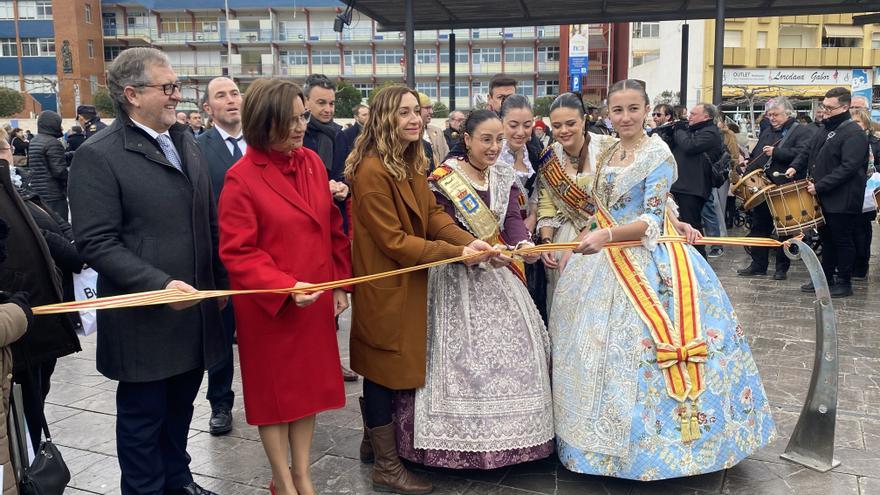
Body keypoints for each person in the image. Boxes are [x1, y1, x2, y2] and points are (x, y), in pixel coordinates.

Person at [550, 79, 776, 480]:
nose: (625, 117)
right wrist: (584, 239)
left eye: (633, 109)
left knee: (646, 347)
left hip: (644, 258)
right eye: (617, 110)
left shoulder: (658, 153)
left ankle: (669, 448)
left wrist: (608, 236)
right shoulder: (608, 149)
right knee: (592, 347)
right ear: (607, 114)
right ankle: (591, 441)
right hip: (600, 262)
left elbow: (651, 217)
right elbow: (610, 204)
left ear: (647, 109)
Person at [68, 47, 227, 495]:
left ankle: (178, 481)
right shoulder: (99, 154)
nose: (177, 96)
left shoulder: (184, 141)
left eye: (176, 86)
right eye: (168, 87)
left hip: (193, 311)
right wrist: (157, 284)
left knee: (180, 410)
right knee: (143, 419)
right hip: (146, 316)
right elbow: (96, 241)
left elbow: (206, 220)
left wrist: (224, 280)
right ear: (133, 94)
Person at [345, 85, 494, 495]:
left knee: (392, 367)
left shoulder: (410, 159)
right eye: (404, 113)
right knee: (381, 371)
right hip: (384, 283)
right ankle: (387, 468)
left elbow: (430, 214)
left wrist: (466, 240)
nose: (415, 119)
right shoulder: (372, 169)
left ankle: (372, 444)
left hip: (407, 279)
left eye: (417, 111)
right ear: (384, 118)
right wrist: (455, 251)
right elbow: (393, 241)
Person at [394, 109, 553, 470]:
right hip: (457, 273)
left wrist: (524, 246)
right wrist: (475, 252)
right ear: (466, 140)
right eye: (486, 139)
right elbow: (442, 228)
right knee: (459, 358)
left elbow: (511, 220)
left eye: (499, 139)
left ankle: (519, 439)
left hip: (499, 274)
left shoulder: (502, 174)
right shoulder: (444, 178)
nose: (495, 147)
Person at [218, 78, 351, 495]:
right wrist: (284, 286)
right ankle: (283, 478)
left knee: (307, 393)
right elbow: (238, 251)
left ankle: (303, 473)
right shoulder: (240, 177)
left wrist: (340, 285)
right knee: (275, 398)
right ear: (263, 120)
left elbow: (332, 226)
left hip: (312, 300)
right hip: (270, 307)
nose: (299, 127)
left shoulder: (310, 161)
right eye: (290, 120)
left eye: (302, 117)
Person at [0, 131, 81, 457]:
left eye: (3, 146)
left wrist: (76, 246)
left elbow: (49, 227)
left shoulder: (15, 187)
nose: (4, 153)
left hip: (35, 325)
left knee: (31, 411)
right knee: (17, 424)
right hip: (18, 328)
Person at [536, 93, 617, 309]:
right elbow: (546, 204)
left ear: (584, 120)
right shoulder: (549, 157)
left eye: (570, 123)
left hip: (603, 239)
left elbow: (618, 201)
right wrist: (546, 243)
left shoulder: (610, 149)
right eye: (557, 125)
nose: (564, 131)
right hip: (562, 240)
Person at [197, 76, 245, 436]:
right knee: (221, 336)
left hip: (262, 259)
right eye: (221, 96)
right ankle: (220, 403)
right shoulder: (198, 148)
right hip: (220, 261)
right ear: (208, 108)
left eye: (234, 93)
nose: (230, 100)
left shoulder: (262, 144)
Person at [302, 73, 355, 381]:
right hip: (303, 225)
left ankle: (331, 359)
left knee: (332, 297)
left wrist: (344, 187)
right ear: (305, 101)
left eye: (331, 103)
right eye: (321, 102)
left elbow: (347, 172)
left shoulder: (340, 134)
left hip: (332, 222)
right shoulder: (297, 134)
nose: (327, 108)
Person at [792, 87, 869, 298]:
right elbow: (810, 151)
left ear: (844, 107)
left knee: (842, 239)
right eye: (823, 106)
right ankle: (824, 278)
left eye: (829, 107)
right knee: (827, 239)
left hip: (843, 198)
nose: (824, 111)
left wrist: (821, 185)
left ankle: (844, 282)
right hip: (824, 196)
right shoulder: (825, 128)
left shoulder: (854, 133)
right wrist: (797, 168)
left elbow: (848, 167)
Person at [737, 97, 816, 280]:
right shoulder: (767, 131)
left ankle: (782, 268)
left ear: (788, 113)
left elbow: (804, 154)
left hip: (784, 187)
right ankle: (758, 265)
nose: (772, 118)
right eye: (769, 114)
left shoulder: (801, 131)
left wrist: (778, 152)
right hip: (764, 188)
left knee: (784, 230)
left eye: (776, 114)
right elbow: (757, 153)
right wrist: (747, 168)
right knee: (759, 227)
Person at [496, 95, 547, 320]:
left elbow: (542, 190)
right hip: (498, 234)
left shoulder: (535, 154)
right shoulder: (491, 153)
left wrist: (534, 216)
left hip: (529, 232)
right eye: (513, 125)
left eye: (527, 126)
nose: (521, 132)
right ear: (501, 123)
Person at [669, 102, 725, 257]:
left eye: (693, 114)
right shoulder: (691, 130)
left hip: (693, 189)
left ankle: (700, 262)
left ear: (706, 116)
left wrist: (679, 130)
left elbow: (690, 146)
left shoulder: (711, 133)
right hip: (680, 186)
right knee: (678, 227)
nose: (689, 117)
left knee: (691, 227)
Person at [849, 107, 877, 280]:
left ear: (866, 125)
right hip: (851, 193)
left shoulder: (873, 142)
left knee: (862, 231)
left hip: (866, 192)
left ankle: (860, 266)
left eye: (858, 122)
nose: (854, 125)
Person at [27, 110, 69, 220]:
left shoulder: (34, 140)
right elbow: (59, 171)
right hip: (54, 194)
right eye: (59, 124)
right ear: (53, 125)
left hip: (39, 192)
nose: (61, 128)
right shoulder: (53, 142)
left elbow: (42, 161)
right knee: (61, 227)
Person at [418, 92, 449, 169]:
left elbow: (447, 157)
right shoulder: (408, 134)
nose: (431, 112)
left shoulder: (438, 131)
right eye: (427, 108)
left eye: (431, 108)